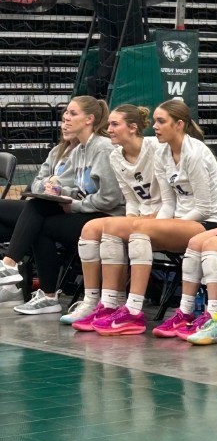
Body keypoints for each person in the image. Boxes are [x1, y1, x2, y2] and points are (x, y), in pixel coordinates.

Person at [91, 101, 217, 337]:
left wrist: (163, 226)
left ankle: (134, 311)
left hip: (208, 223)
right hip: (179, 221)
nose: (154, 126)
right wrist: (160, 224)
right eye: (154, 121)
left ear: (179, 124)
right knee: (129, 230)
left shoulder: (194, 153)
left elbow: (205, 208)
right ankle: (110, 304)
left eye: (161, 121)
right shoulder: (163, 152)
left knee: (141, 230)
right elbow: (168, 201)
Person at [0, 98, 124, 315]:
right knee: (39, 217)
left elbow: (110, 199)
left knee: (38, 216)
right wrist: (56, 189)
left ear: (89, 119)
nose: (66, 117)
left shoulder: (103, 148)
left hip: (106, 217)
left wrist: (74, 204)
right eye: (66, 112)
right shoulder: (78, 150)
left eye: (73, 113)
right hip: (85, 211)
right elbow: (62, 184)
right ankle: (43, 293)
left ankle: (12, 268)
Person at [152, 109, 217, 341]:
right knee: (200, 242)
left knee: (211, 246)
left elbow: (207, 207)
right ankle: (187, 312)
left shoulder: (197, 153)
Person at [63, 104, 160, 329]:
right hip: (141, 216)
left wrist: (145, 219)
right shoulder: (117, 155)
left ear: (133, 128)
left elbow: (168, 194)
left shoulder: (155, 149)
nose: (109, 130)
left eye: (115, 124)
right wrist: (132, 219)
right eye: (109, 125)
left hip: (163, 216)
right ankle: (97, 302)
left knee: (114, 229)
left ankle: (127, 307)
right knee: (90, 229)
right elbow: (131, 199)